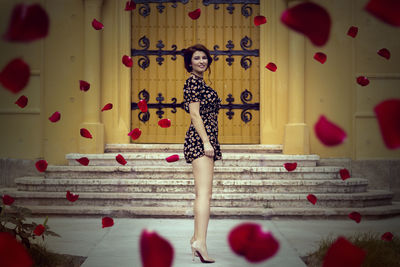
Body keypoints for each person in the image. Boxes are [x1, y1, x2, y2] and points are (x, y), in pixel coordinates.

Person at [183, 44, 222, 263]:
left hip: (205, 141)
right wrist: (207, 142)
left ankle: (196, 238)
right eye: (197, 58)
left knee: (202, 194)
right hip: (201, 142)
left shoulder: (199, 83)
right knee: (205, 195)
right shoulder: (192, 82)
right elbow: (195, 116)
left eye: (204, 58)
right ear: (190, 62)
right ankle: (200, 243)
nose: (202, 61)